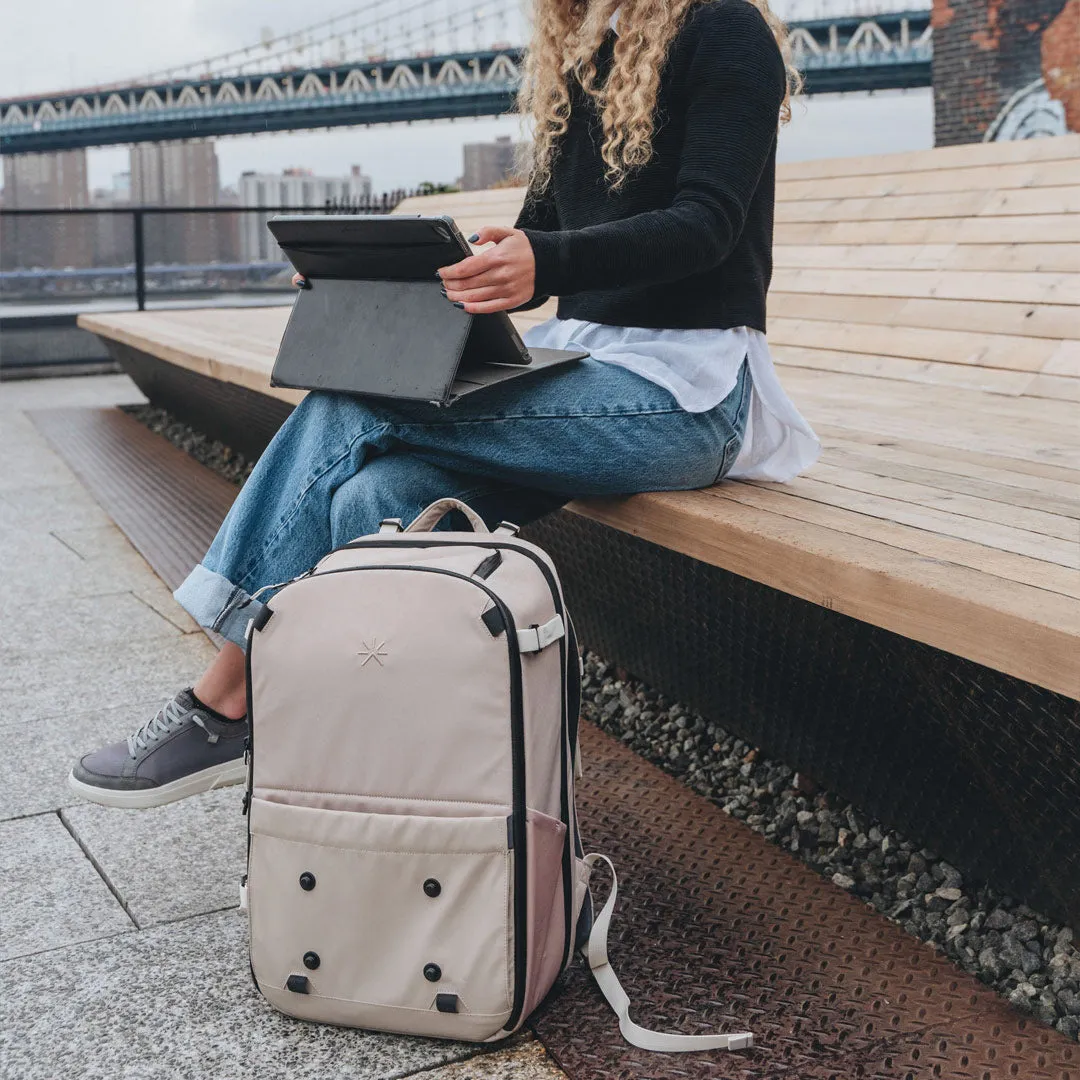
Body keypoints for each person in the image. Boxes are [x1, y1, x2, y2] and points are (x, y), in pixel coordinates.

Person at [69, 0, 819, 808]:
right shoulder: (587, 50)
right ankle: (377, 782)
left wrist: (546, 261)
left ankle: (225, 699)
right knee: (373, 495)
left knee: (356, 406)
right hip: (588, 368)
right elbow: (535, 237)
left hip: (685, 396)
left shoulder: (724, 28)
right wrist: (383, 277)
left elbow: (707, 225)